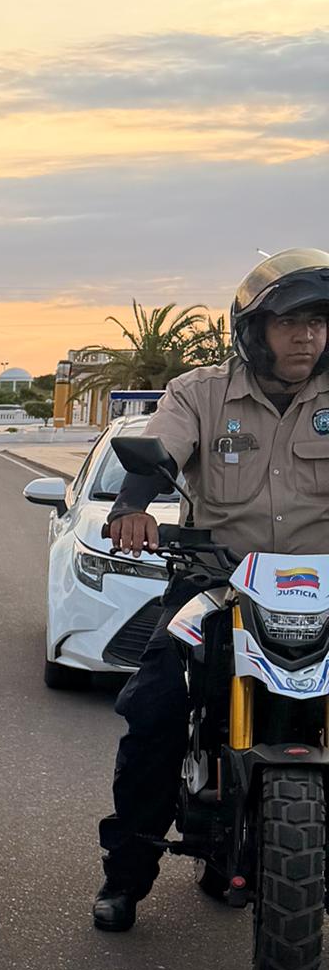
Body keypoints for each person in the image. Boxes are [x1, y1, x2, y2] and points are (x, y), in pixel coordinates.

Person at [92, 246, 329, 933]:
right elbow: (161, 449)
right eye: (290, 322)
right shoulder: (200, 392)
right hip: (219, 585)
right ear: (253, 329)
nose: (307, 336)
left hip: (322, 592)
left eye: (318, 322)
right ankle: (126, 878)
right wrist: (133, 506)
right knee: (155, 710)